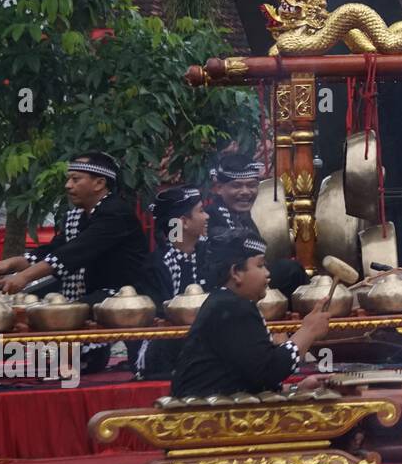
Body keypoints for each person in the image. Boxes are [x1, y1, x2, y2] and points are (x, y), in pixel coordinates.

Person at [0, 152, 148, 374]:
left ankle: (62, 360)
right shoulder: (76, 216)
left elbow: (73, 254)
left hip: (122, 293)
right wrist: (17, 263)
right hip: (89, 289)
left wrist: (24, 277)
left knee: (54, 310)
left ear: (99, 183)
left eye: (76, 179)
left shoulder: (116, 213)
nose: (68, 185)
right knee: (27, 302)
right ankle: (2, 357)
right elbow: (56, 249)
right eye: (68, 179)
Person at [171, 228, 332, 397]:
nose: (268, 273)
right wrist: (308, 331)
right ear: (236, 273)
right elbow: (268, 371)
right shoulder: (232, 308)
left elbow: (250, 378)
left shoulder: (225, 303)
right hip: (206, 416)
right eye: (260, 265)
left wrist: (296, 388)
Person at [205, 152, 309, 296]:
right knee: (289, 270)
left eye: (252, 185)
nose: (246, 192)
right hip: (224, 287)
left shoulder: (244, 217)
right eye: (237, 186)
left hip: (247, 279)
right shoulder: (210, 216)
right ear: (218, 188)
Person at [135, 186, 210, 380]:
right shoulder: (156, 265)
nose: (207, 216)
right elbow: (159, 318)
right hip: (170, 342)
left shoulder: (208, 254)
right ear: (183, 222)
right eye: (201, 211)